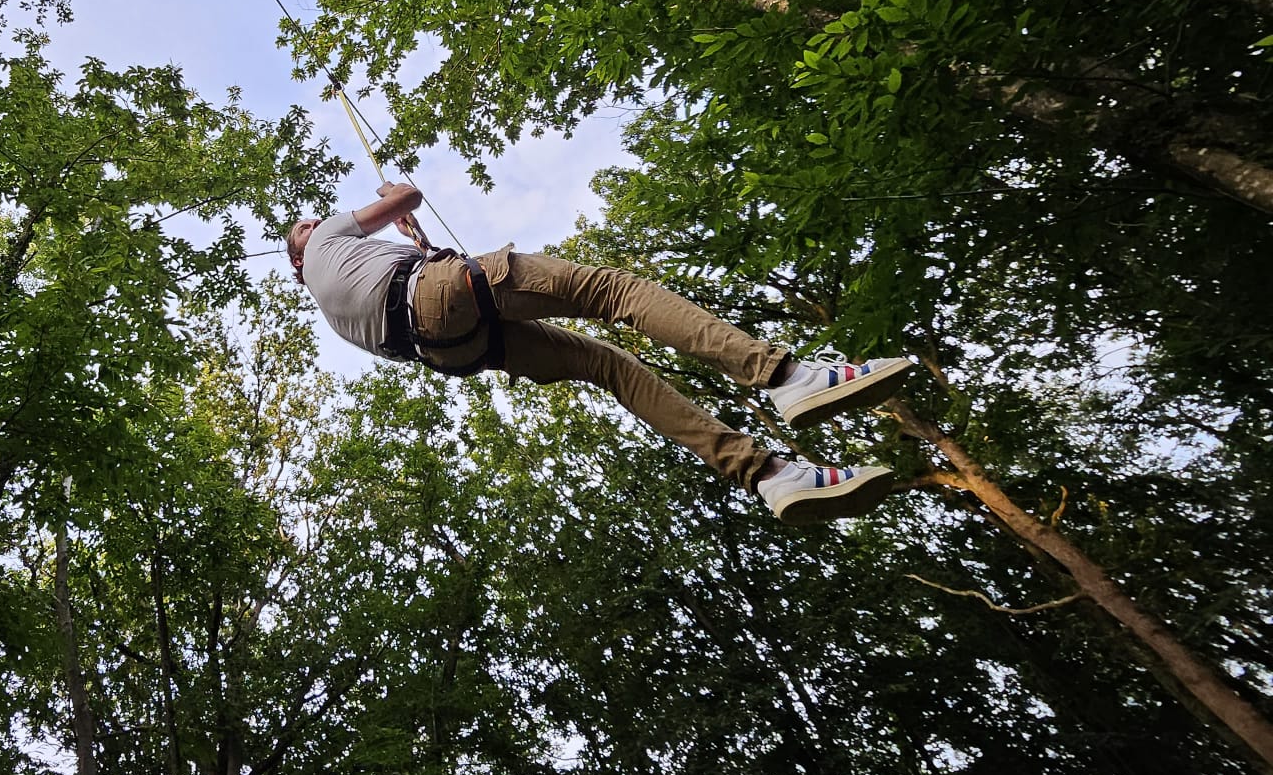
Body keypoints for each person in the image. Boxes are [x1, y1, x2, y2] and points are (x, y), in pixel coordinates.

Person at [286, 183, 914, 525]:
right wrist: (394, 195)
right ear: (300, 252)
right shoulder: (325, 239)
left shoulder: (336, 316)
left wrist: (417, 249)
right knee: (613, 291)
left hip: (453, 347)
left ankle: (770, 476)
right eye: (307, 227)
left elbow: (414, 314)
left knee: (608, 366)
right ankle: (783, 374)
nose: (316, 224)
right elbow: (407, 197)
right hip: (444, 294)